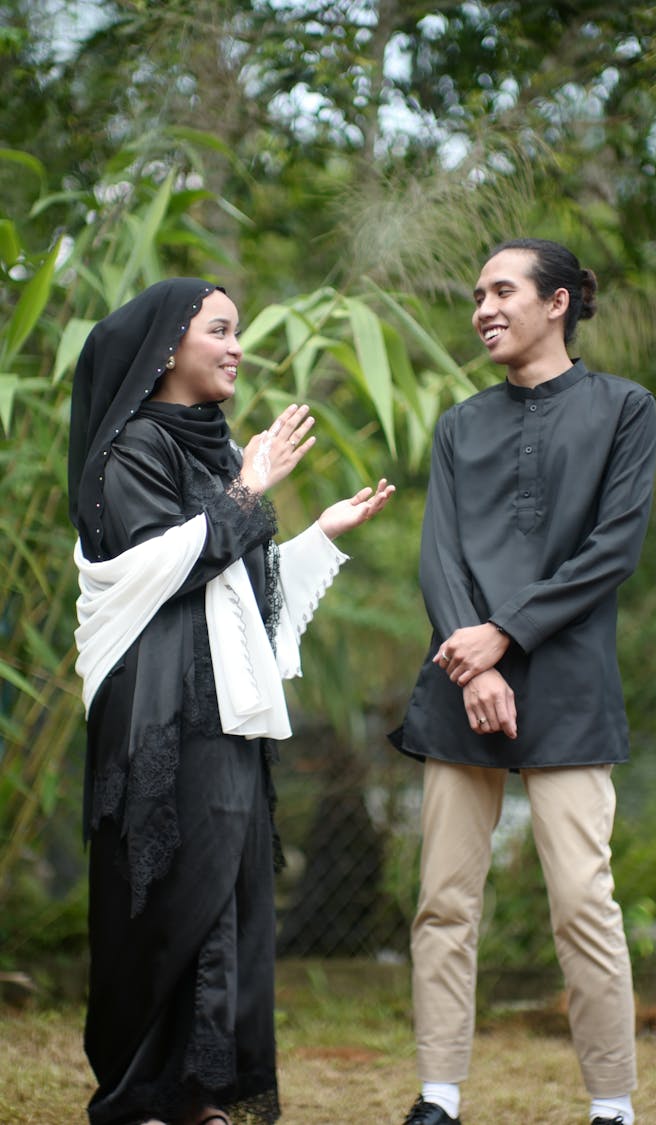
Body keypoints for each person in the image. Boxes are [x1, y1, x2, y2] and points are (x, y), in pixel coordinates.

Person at [67, 277, 395, 1125]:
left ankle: (204, 1091)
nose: (237, 345)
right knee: (169, 889)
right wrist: (250, 490)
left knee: (228, 891)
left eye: (238, 329)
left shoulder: (217, 455)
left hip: (227, 708)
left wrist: (317, 531)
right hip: (159, 711)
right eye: (221, 329)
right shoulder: (132, 447)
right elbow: (154, 569)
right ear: (171, 343)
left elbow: (241, 597)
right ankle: (144, 1091)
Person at [390, 238, 656, 1125]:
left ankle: (612, 1105)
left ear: (558, 303)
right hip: (459, 678)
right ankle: (438, 1096)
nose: (482, 308)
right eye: (475, 294)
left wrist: (502, 637)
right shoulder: (461, 423)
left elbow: (611, 549)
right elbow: (441, 556)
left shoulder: (626, 409)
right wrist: (474, 662)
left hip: (569, 683)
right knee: (443, 902)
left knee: (583, 900)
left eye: (501, 290)